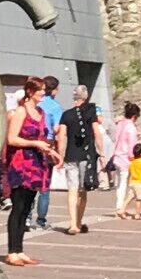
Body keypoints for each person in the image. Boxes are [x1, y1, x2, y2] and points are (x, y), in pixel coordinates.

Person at [1, 77, 53, 266]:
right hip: (21, 163)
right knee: (18, 206)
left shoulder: (41, 112)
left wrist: (51, 151)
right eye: (40, 90)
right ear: (30, 92)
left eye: (44, 90)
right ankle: (11, 251)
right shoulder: (21, 112)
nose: (43, 93)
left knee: (27, 208)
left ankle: (19, 249)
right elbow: (12, 139)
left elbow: (42, 137)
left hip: (36, 164)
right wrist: (34, 143)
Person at [56, 82, 100, 235]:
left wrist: (60, 156)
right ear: (86, 97)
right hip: (86, 157)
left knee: (72, 190)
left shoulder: (66, 115)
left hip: (70, 156)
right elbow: (97, 133)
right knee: (83, 191)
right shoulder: (90, 112)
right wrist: (103, 154)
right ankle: (79, 221)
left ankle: (72, 223)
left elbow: (61, 137)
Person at [33, 75, 64, 230]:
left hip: (33, 143)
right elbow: (57, 129)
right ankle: (41, 219)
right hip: (47, 144)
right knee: (45, 185)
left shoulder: (35, 103)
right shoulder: (56, 107)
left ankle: (25, 217)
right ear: (55, 90)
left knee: (31, 182)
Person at [111, 101, 140, 219]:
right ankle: (121, 208)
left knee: (119, 184)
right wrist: (134, 157)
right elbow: (132, 146)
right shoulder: (131, 128)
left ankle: (119, 206)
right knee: (125, 184)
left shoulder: (119, 124)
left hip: (117, 156)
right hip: (126, 159)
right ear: (134, 116)